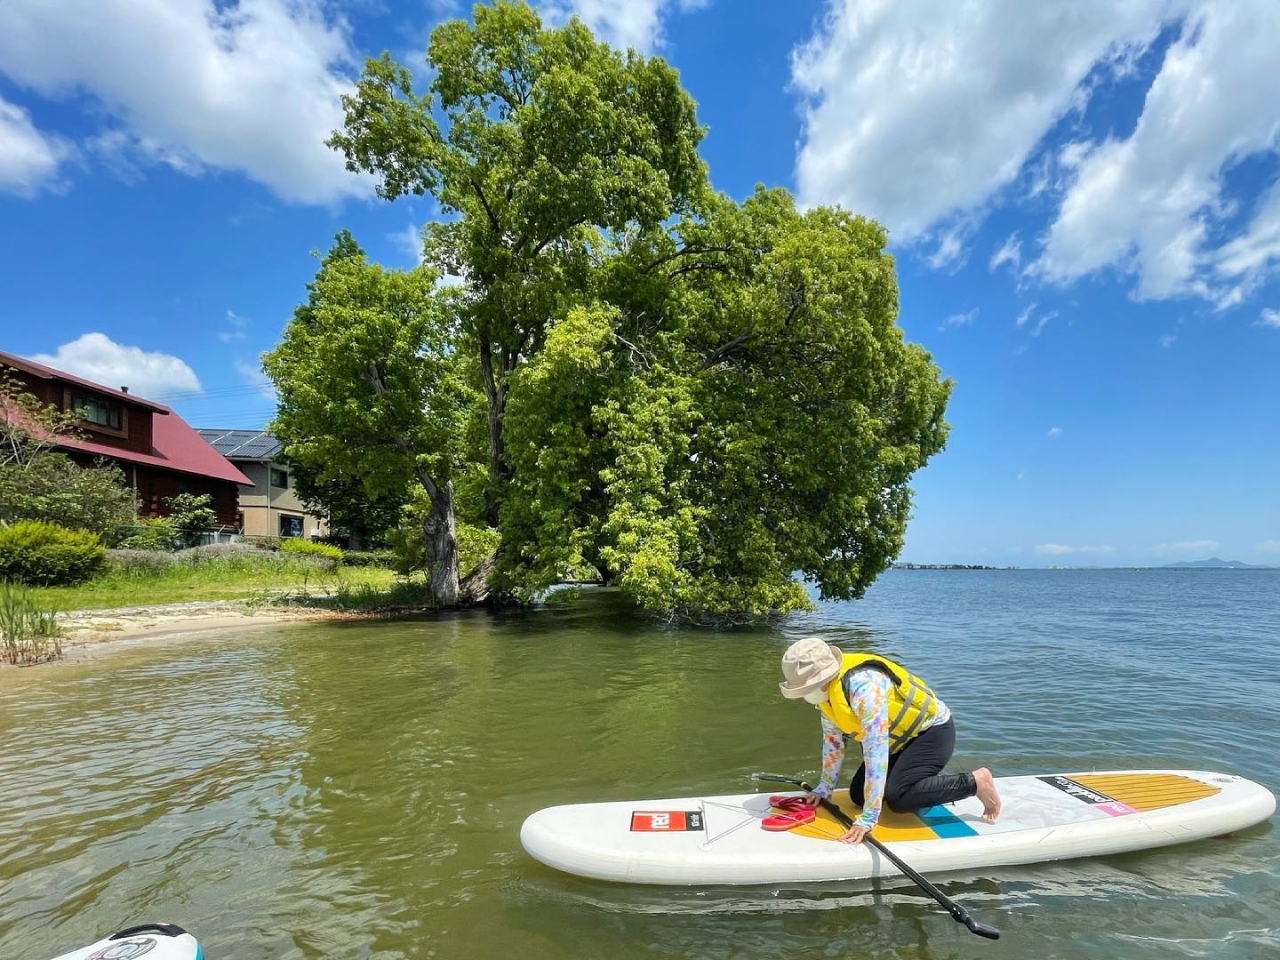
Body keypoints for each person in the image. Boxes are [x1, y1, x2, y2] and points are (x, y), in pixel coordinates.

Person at [779, 637, 1001, 843]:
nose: (803, 695)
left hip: (931, 733)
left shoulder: (863, 687)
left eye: (805, 689)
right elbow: (833, 744)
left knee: (898, 799)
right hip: (898, 742)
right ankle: (918, 779)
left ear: (824, 678)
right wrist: (824, 790)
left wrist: (868, 819)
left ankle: (976, 782)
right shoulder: (827, 696)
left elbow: (876, 750)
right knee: (857, 796)